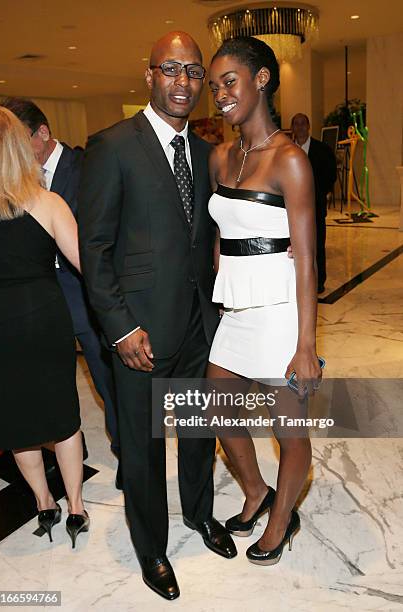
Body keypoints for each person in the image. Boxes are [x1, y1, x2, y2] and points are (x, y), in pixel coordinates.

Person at [78, 32, 236, 601]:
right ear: (149, 76)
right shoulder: (113, 145)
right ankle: (152, 549)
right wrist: (119, 327)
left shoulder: (201, 150)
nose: (183, 82)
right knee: (143, 450)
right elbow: (92, 248)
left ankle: (199, 516)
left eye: (193, 72)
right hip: (139, 332)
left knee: (198, 434)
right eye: (170, 69)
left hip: (197, 323)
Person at [207, 37, 322, 565]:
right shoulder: (221, 157)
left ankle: (282, 519)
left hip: (279, 313)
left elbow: (307, 261)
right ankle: (256, 490)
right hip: (237, 311)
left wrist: (305, 346)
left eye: (230, 81)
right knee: (217, 408)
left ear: (262, 79)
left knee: (288, 430)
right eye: (214, 87)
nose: (220, 95)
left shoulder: (290, 160)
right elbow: (221, 236)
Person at [0, 98, 121, 484]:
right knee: (42, 390)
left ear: (43, 134)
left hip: (80, 298)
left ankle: (125, 451)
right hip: (38, 307)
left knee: (106, 380)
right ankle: (67, 458)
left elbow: (105, 237)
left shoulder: (86, 168)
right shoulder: (17, 191)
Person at [0, 106, 89, 548]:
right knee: (62, 415)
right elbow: (87, 266)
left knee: (16, 420)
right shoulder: (48, 202)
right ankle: (76, 508)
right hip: (46, 319)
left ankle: (43, 502)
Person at [291, 113, 337, 293]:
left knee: (317, 245)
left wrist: (318, 194)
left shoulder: (322, 149)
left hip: (315, 207)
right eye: (296, 123)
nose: (300, 126)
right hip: (291, 209)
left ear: (308, 126)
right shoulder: (286, 150)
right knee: (293, 246)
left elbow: (330, 175)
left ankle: (319, 282)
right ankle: (297, 280)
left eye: (303, 123)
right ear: (292, 127)